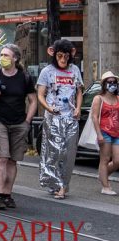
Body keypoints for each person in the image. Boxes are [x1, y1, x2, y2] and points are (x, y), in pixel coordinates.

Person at [0, 43, 36, 210]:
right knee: (1, 158)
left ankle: (7, 194)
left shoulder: (25, 77)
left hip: (19, 123)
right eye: (2, 55)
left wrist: (27, 122)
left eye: (7, 56)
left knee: (12, 161)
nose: (3, 58)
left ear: (15, 58)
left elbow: (33, 101)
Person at [37, 39, 83, 200]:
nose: (63, 59)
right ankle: (55, 183)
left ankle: (63, 184)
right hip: (54, 117)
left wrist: (77, 108)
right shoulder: (47, 71)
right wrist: (48, 108)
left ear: (71, 56)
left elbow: (78, 91)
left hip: (71, 118)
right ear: (54, 55)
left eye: (66, 56)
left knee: (69, 153)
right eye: (59, 56)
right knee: (54, 152)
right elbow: (40, 95)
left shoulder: (75, 70)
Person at [90, 71, 119, 196]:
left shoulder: (118, 98)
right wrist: (99, 134)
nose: (112, 84)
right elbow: (95, 117)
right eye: (110, 82)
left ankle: (103, 175)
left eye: (114, 82)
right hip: (104, 132)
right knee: (105, 159)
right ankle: (105, 186)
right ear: (104, 84)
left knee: (117, 160)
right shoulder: (98, 98)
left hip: (117, 132)